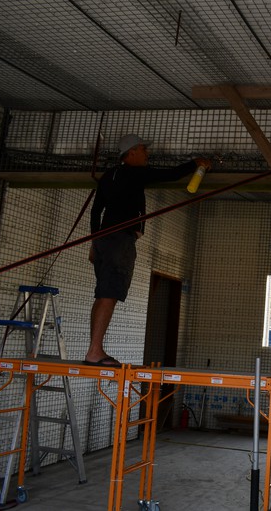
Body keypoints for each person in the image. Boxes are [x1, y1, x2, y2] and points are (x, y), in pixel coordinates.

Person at [84, 134, 211, 366]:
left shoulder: (108, 176)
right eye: (143, 149)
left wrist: (94, 242)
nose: (147, 153)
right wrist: (197, 162)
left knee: (103, 294)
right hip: (119, 240)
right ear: (131, 153)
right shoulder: (133, 173)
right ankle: (95, 351)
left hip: (104, 240)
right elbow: (169, 175)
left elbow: (95, 211)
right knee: (109, 294)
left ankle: (94, 349)